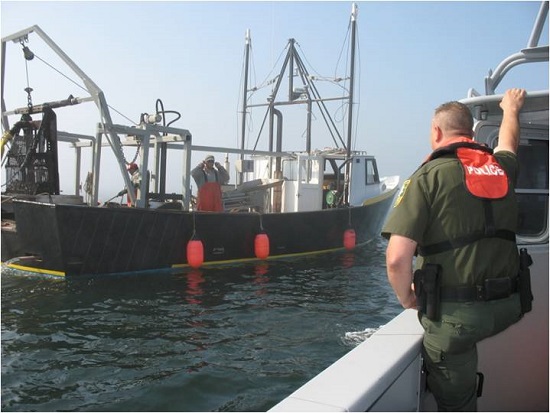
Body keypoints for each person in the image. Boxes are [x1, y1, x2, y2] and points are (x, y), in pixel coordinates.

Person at [381, 88, 528, 411]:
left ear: (436, 131)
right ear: (471, 131)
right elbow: (508, 144)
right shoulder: (499, 169)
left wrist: (407, 298)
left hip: (457, 321)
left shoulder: (428, 176)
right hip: (508, 307)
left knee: (456, 401)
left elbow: (396, 259)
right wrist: (511, 108)